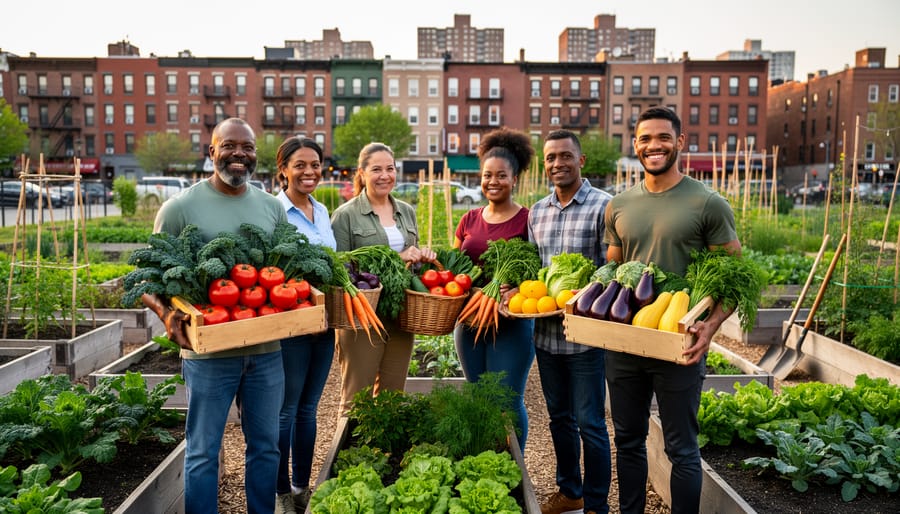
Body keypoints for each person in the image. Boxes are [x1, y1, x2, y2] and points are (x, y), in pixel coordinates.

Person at [604, 106, 741, 514]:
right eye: (645, 139)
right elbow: (612, 270)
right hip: (626, 340)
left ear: (680, 142)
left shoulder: (707, 203)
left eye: (663, 137)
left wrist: (711, 326)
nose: (654, 146)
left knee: (682, 447)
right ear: (635, 145)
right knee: (627, 439)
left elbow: (734, 277)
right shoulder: (620, 205)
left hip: (680, 342)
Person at [152, 118, 287, 514]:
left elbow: (288, 271)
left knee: (266, 446)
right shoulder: (180, 207)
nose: (239, 154)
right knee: (202, 451)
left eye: (247, 147)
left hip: (265, 348)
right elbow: (146, 276)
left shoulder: (271, 206)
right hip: (208, 353)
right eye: (229, 146)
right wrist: (165, 313)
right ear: (211, 152)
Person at [527, 129, 612, 514]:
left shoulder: (603, 206)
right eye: (550, 158)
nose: (557, 163)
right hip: (546, 335)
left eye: (565, 156)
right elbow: (534, 270)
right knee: (559, 419)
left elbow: (611, 270)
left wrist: (582, 297)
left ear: (581, 161)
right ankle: (570, 491)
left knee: (590, 423)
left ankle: (595, 504)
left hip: (585, 339)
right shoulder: (537, 211)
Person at [330, 142, 436, 415]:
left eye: (390, 169)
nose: (385, 175)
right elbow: (339, 268)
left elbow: (411, 262)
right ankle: (348, 456)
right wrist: (397, 257)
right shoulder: (346, 216)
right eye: (376, 169)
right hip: (362, 315)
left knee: (392, 397)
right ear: (362, 173)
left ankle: (382, 455)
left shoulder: (406, 211)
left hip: (401, 313)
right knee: (357, 399)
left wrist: (422, 257)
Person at [452, 127, 535, 453]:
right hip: (469, 322)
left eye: (502, 175)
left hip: (511, 325)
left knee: (507, 399)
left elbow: (537, 272)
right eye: (487, 175)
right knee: (478, 395)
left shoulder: (528, 220)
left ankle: (515, 467)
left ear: (514, 179)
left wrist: (516, 288)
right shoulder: (469, 219)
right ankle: (485, 460)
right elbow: (455, 270)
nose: (493, 182)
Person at [272, 137, 336, 514]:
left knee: (309, 409)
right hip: (293, 326)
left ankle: (301, 488)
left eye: (315, 165)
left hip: (325, 325)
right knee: (286, 410)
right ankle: (280, 492)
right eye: (300, 165)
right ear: (283, 169)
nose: (309, 172)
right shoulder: (274, 211)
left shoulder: (322, 210)